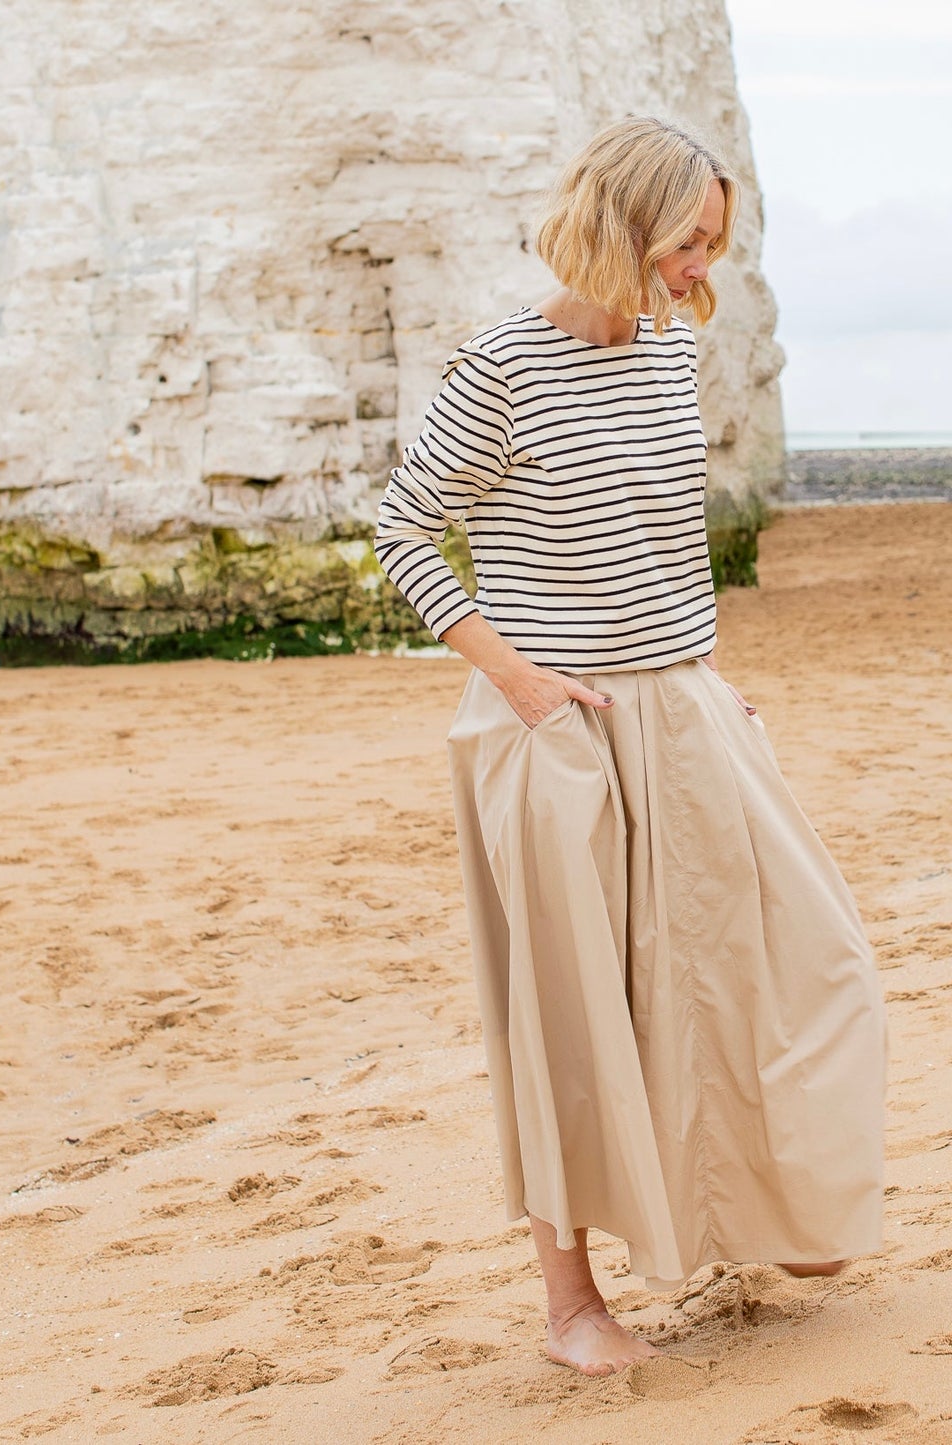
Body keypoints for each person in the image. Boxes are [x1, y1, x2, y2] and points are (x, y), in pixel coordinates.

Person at [373, 115, 886, 1378]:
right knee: (573, 1016)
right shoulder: (499, 368)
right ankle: (570, 1307)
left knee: (789, 962)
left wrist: (708, 675)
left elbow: (660, 547)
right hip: (555, 728)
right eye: (686, 242)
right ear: (621, 222)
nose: (700, 268)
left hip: (683, 704)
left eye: (714, 244)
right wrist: (522, 684)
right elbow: (400, 531)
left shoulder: (667, 355)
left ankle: (769, 1211)